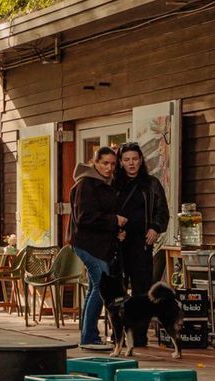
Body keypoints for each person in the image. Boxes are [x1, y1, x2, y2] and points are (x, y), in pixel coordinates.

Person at [115, 141, 171, 346]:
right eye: (127, 159)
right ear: (120, 162)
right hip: (119, 244)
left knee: (141, 291)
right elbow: (105, 212)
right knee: (119, 291)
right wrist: (115, 230)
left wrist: (155, 227)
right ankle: (119, 336)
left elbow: (162, 211)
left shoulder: (151, 183)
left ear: (141, 161)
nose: (131, 163)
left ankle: (139, 337)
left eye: (135, 159)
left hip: (142, 243)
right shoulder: (114, 184)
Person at [71, 146, 127, 349]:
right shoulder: (87, 184)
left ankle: (88, 335)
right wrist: (115, 221)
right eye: (105, 163)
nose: (109, 168)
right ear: (94, 162)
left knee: (94, 288)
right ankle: (90, 337)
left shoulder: (104, 184)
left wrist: (116, 230)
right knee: (100, 288)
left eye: (113, 164)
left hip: (98, 244)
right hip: (88, 245)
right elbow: (84, 217)